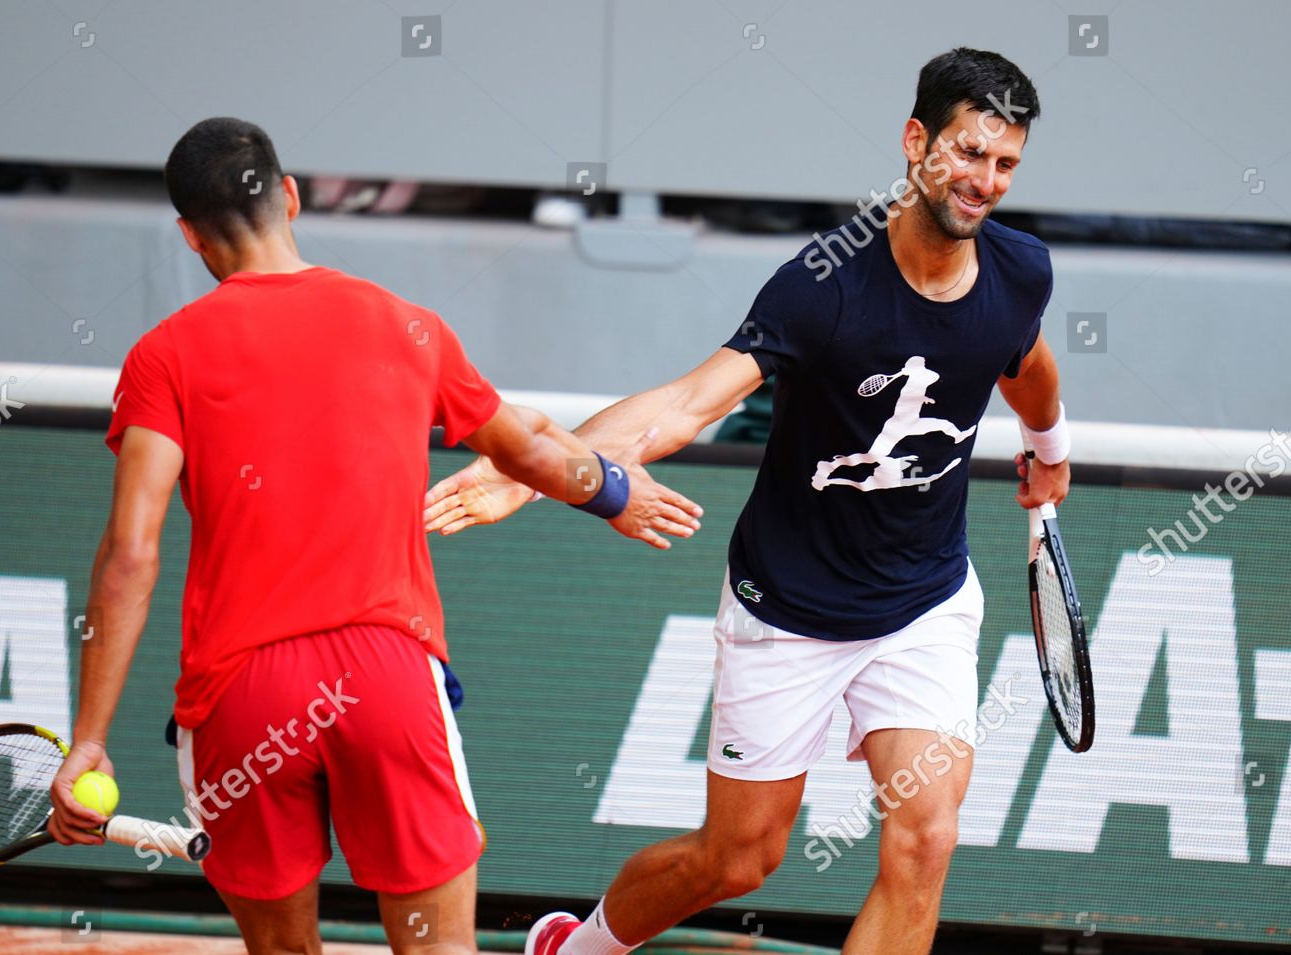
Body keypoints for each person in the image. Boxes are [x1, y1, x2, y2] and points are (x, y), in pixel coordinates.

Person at [423, 49, 1068, 955]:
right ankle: (577, 946)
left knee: (927, 837)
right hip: (789, 609)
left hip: (923, 602)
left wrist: (1050, 448)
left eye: (1005, 165)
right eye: (968, 154)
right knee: (737, 858)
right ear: (916, 142)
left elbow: (1026, 363)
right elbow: (684, 404)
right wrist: (537, 467)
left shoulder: (1019, 271)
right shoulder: (824, 285)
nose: (984, 182)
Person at [45, 117, 703, 955]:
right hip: (386, 677)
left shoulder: (162, 357)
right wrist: (614, 491)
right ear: (289, 196)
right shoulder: (405, 323)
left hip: (243, 697)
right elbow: (530, 447)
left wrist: (90, 736)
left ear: (189, 235)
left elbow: (130, 554)